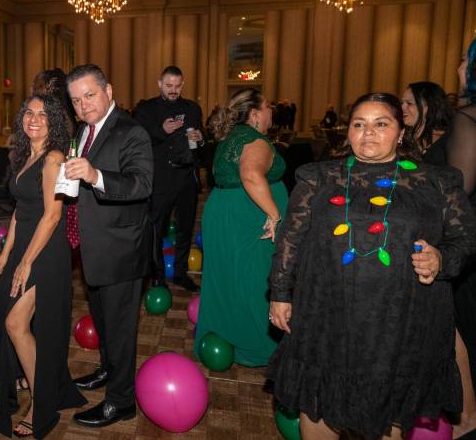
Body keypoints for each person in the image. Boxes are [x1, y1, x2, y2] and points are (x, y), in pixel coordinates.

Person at [268, 92, 476, 439]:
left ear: (401, 133)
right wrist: (279, 292)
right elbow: (291, 238)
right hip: (327, 313)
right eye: (359, 124)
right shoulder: (318, 177)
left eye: (381, 124)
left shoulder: (435, 182)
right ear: (348, 131)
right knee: (318, 400)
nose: (368, 133)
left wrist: (441, 259)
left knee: (387, 407)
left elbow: (466, 239)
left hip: (399, 320)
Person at [0, 94, 86, 438]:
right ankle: (41, 385)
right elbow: (20, 211)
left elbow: (52, 215)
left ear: (54, 122)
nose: (34, 119)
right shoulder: (24, 156)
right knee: (7, 317)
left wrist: (26, 262)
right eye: (29, 113)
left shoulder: (53, 159)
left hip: (46, 251)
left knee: (15, 323)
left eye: (43, 114)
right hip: (25, 246)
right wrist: (6, 254)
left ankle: (41, 403)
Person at [63, 64, 154, 428]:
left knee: (119, 329)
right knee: (103, 320)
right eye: (75, 100)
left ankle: (121, 401)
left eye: (89, 95)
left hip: (121, 249)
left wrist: (94, 175)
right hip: (94, 246)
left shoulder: (132, 131)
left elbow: (141, 184)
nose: (83, 105)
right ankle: (107, 370)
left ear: (109, 91)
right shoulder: (84, 130)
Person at [195, 88, 287, 366]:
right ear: (256, 114)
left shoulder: (230, 138)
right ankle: (259, 344)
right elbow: (250, 175)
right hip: (249, 217)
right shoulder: (253, 139)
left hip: (225, 212)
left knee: (229, 278)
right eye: (268, 106)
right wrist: (274, 214)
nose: (272, 111)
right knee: (257, 279)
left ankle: (228, 334)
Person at [134, 65, 204, 291]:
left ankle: (181, 273)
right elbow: (137, 142)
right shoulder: (146, 110)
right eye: (168, 85)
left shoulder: (192, 108)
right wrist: (161, 130)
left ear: (183, 85)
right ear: (159, 84)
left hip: (187, 177)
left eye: (177, 86)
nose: (173, 90)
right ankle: (158, 276)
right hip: (161, 179)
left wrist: (200, 139)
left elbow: (200, 143)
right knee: (157, 229)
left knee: (185, 228)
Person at [448, 38, 476, 438]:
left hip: (469, 234)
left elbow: (458, 193)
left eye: (463, 61)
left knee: (460, 324)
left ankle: (469, 418)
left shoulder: (468, 118)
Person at [400, 81, 453, 165]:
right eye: (402, 103)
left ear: (428, 106)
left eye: (409, 103)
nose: (402, 107)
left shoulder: (447, 141)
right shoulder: (401, 137)